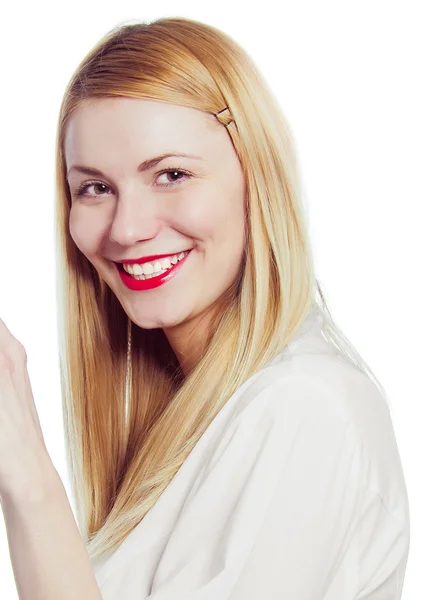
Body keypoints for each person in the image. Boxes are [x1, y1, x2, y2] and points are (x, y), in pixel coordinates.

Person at [55, 16, 410, 599]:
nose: (127, 228)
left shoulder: (301, 405)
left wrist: (23, 475)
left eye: (170, 174)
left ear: (256, 179)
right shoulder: (197, 407)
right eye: (94, 188)